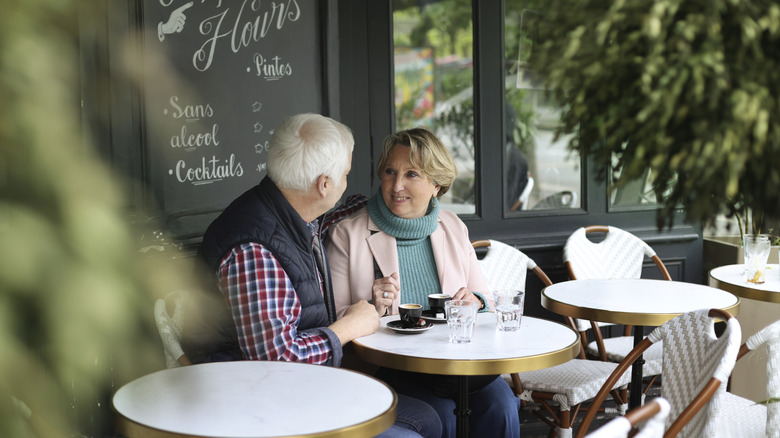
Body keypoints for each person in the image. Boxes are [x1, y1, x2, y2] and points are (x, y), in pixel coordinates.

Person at [181, 113, 442, 438]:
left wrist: (387, 204)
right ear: (324, 185)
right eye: (345, 174)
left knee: (430, 418)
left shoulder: (287, 208)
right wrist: (348, 327)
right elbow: (277, 361)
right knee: (411, 431)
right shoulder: (253, 250)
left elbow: (338, 212)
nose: (348, 181)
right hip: (252, 401)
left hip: (302, 388)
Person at [325, 127, 521, 438]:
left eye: (412, 174)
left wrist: (476, 301)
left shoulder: (453, 226)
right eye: (390, 171)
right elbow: (334, 322)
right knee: (442, 413)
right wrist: (370, 305)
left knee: (502, 405)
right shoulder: (347, 234)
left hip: (454, 365)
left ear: (437, 184)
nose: (396, 185)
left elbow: (487, 300)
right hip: (393, 369)